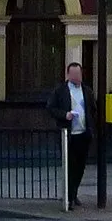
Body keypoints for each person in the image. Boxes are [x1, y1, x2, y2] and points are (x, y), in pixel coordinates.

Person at [47, 61, 90, 207]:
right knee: (70, 167)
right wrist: (65, 115)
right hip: (68, 135)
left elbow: (93, 109)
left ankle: (74, 193)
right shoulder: (60, 90)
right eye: (74, 74)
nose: (77, 76)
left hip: (83, 135)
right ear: (68, 74)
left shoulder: (86, 90)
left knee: (80, 167)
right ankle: (69, 198)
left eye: (79, 73)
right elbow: (51, 108)